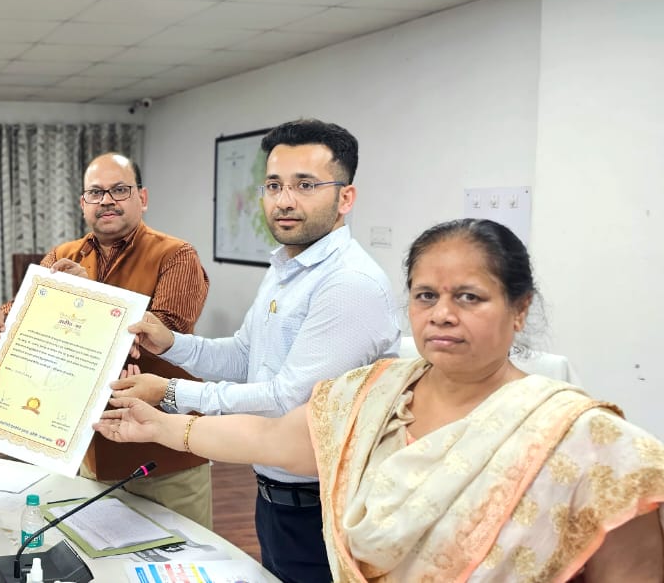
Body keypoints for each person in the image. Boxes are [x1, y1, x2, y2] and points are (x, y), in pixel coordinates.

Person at [97, 218, 664, 582]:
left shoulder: (589, 442)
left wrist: (170, 395)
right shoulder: (376, 393)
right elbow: (271, 436)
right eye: (426, 295)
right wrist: (158, 425)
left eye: (469, 297)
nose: (443, 314)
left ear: (520, 308)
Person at [111, 119, 398, 582]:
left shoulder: (348, 283)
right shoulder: (288, 266)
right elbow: (244, 356)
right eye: (274, 185)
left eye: (305, 185)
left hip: (325, 508)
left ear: (346, 197)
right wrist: (173, 344)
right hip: (273, 496)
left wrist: (170, 393)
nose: (284, 200)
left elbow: (286, 400)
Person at [0, 152, 214, 527]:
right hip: (87, 450)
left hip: (164, 456)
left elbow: (168, 332)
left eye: (119, 190)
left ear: (142, 198)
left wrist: (92, 296)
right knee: (95, 552)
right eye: (96, 192)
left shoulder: (176, 255)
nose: (107, 200)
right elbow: (26, 309)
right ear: (83, 203)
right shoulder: (64, 255)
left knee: (180, 554)